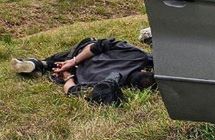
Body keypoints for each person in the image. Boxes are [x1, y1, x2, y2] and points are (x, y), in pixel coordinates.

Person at [12, 37, 155, 104]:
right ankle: (40, 64)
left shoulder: (137, 55)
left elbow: (96, 46)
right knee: (60, 63)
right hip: (77, 70)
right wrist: (68, 76)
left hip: (82, 53)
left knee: (66, 57)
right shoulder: (108, 84)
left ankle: (39, 63)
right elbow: (72, 90)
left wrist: (73, 62)